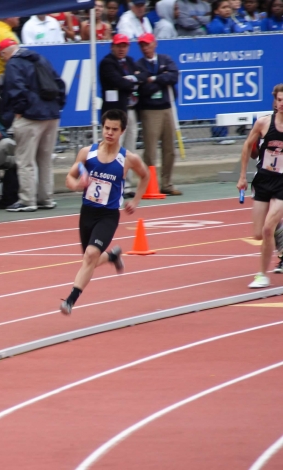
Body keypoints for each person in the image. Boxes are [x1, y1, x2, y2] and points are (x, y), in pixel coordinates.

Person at [60, 109, 149, 315]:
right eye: (106, 128)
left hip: (108, 215)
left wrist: (136, 201)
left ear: (122, 131)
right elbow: (69, 179)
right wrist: (78, 184)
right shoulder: (87, 153)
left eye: (114, 129)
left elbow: (145, 176)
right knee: (89, 260)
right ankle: (111, 257)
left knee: (91, 255)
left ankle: (70, 301)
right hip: (87, 212)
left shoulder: (128, 158)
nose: (109, 133)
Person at [0, 38, 66, 212]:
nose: (3, 60)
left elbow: (16, 89)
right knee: (45, 160)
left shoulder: (13, 63)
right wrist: (57, 106)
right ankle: (46, 198)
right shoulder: (40, 58)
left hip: (31, 116)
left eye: (2, 56)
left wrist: (20, 110)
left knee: (25, 160)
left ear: (5, 52)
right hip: (51, 114)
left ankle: (27, 200)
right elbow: (60, 83)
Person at [237, 84, 283, 288]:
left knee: (266, 229)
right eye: (279, 100)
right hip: (264, 179)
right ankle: (280, 230)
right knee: (258, 233)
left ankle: (261, 274)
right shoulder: (264, 123)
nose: (282, 104)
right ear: (275, 101)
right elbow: (247, 146)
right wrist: (242, 177)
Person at [135, 33, 181, 195]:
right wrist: (162, 80)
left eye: (147, 44)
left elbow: (174, 76)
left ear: (154, 44)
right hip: (149, 110)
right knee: (150, 150)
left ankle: (166, 183)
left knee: (170, 149)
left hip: (167, 108)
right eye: (142, 45)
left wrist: (154, 79)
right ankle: (149, 184)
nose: (145, 48)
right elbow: (144, 89)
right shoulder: (139, 65)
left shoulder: (165, 59)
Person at [99, 34, 144, 168]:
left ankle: (127, 184)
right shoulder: (107, 62)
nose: (121, 49)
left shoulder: (129, 61)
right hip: (115, 112)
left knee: (129, 149)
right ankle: (109, 180)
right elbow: (118, 82)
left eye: (124, 46)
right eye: (118, 46)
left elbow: (142, 75)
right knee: (113, 147)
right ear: (112, 47)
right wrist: (133, 80)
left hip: (130, 109)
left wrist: (131, 79)